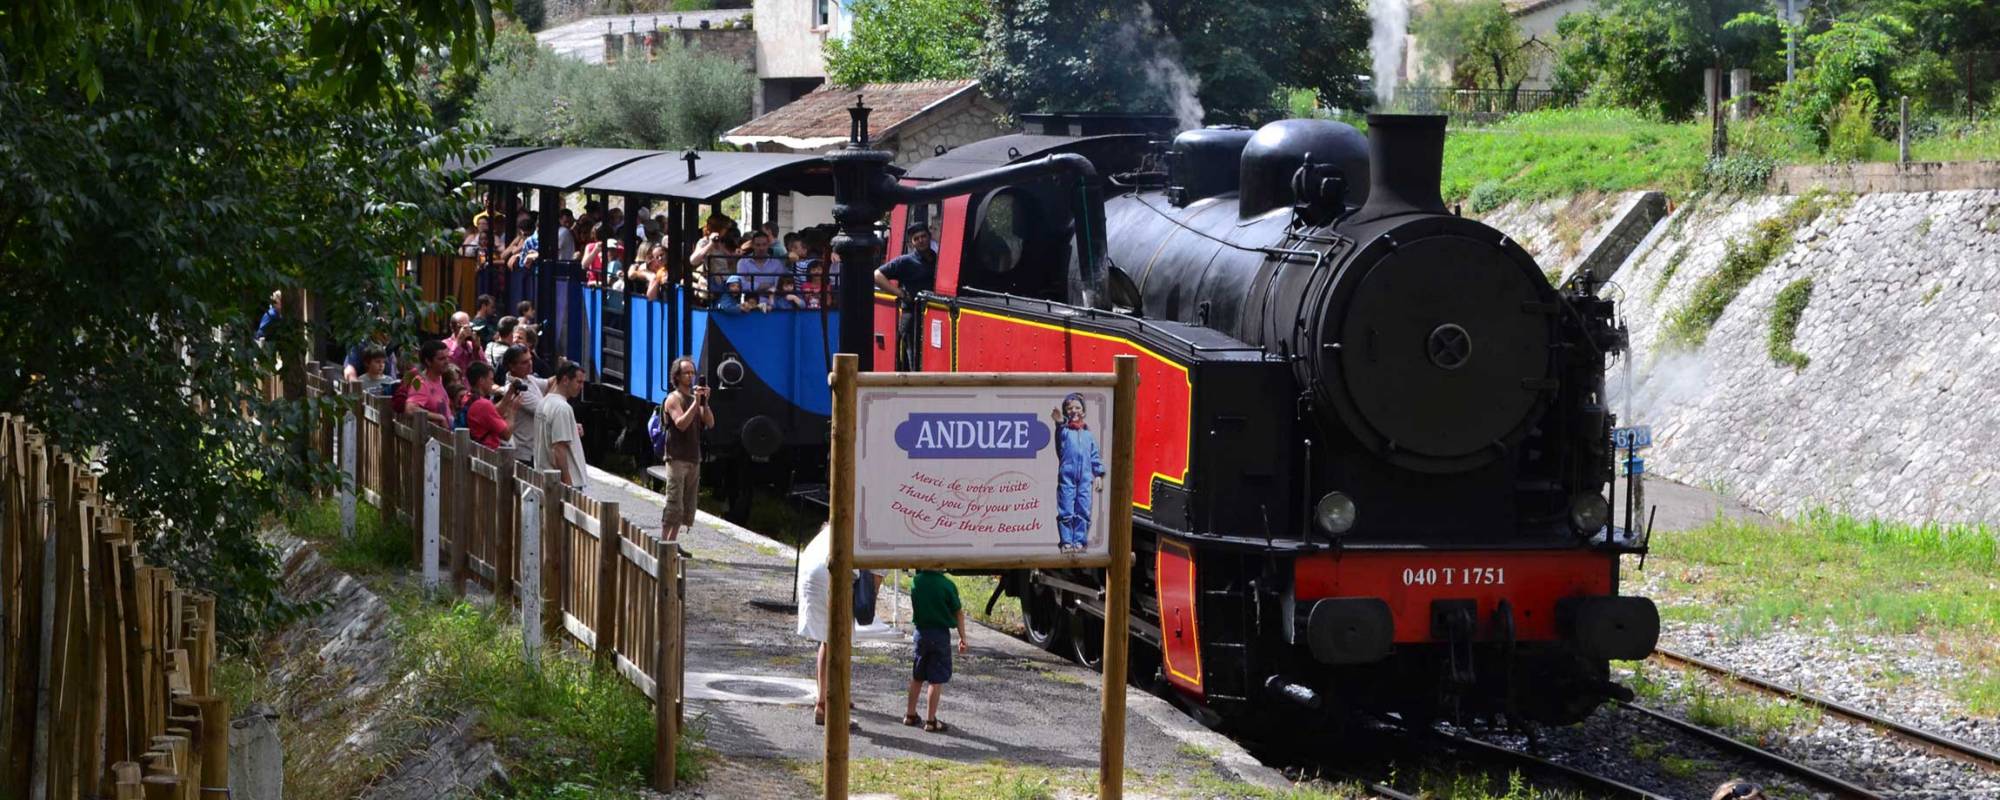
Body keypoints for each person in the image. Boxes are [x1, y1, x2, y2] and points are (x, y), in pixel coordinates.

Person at [795, 525, 856, 729]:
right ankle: (830, 707)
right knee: (838, 641)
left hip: (812, 577)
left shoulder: (824, 535)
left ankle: (826, 700)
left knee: (828, 640)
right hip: (827, 580)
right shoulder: (851, 531)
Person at [903, 568, 966, 733]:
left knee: (917, 676)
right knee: (935, 679)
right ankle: (930, 721)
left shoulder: (916, 581)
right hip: (939, 634)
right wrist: (962, 637)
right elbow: (958, 612)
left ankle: (910, 715)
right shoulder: (947, 585)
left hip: (920, 633)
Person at [659, 356, 713, 543]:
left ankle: (673, 543)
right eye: (686, 373)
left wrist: (704, 403)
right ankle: (664, 543)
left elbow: (710, 422)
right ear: (677, 376)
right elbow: (681, 424)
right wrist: (694, 404)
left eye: (693, 373)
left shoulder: (694, 399)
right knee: (674, 504)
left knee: (688, 506)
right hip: (676, 458)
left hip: (693, 458)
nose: (691, 377)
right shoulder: (673, 399)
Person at [874, 222, 938, 369]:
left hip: (933, 315)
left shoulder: (937, 259)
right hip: (912, 315)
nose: (921, 240)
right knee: (913, 356)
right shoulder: (905, 261)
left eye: (923, 236)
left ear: (929, 237)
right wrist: (899, 293)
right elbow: (877, 275)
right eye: (917, 238)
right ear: (912, 243)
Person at [1052, 392, 1105, 553]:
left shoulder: (1088, 435)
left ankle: (1079, 541)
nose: (1074, 411)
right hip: (1067, 476)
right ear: (1066, 412)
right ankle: (1067, 541)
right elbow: (1060, 428)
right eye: (1070, 408)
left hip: (1085, 478)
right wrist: (1060, 421)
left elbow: (1094, 455)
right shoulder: (1064, 432)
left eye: (1077, 407)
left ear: (1083, 411)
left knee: (1083, 509)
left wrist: (1098, 475)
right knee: (1066, 509)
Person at [534, 361, 588, 487]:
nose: (581, 387)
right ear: (565, 380)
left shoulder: (543, 402)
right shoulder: (562, 408)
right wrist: (568, 484)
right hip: (563, 482)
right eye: (578, 382)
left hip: (544, 476)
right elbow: (558, 449)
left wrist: (572, 430)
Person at [499, 345, 545, 463]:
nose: (530, 363)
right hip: (523, 454)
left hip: (534, 451)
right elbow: (544, 411)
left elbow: (549, 382)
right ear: (512, 366)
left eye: (530, 359)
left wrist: (564, 371)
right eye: (524, 362)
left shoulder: (530, 379)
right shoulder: (515, 389)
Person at [463, 361, 520, 449]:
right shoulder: (483, 404)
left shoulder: (468, 397)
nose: (493, 383)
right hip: (486, 453)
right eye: (491, 379)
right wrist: (512, 410)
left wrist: (509, 392)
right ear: (481, 381)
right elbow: (506, 434)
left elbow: (493, 414)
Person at [402, 340, 451, 427]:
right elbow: (410, 409)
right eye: (441, 359)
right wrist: (439, 417)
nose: (447, 361)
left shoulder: (439, 378)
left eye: (447, 357)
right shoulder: (421, 383)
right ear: (428, 361)